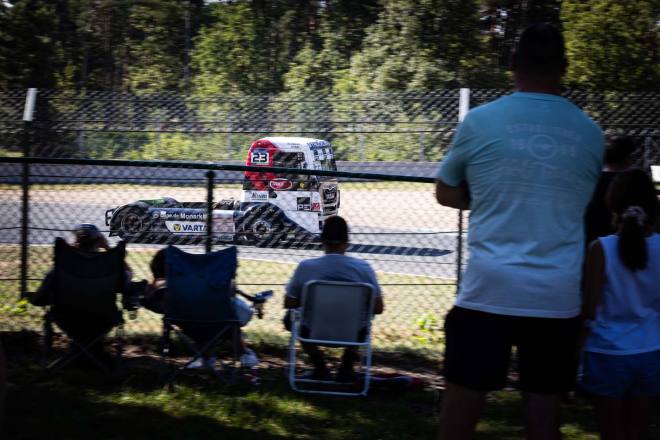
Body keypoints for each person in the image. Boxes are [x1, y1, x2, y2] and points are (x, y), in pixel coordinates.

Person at [434, 23, 604, 440]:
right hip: (557, 295)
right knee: (544, 413)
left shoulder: (480, 121)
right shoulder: (590, 133)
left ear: (512, 63)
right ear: (564, 66)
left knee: (460, 408)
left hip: (489, 288)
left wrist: (490, 195)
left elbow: (445, 191)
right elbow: (576, 201)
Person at [581, 169, 659, 440]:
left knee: (611, 432)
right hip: (651, 350)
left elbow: (589, 309)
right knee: (638, 430)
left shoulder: (600, 249)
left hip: (606, 352)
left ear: (611, 203)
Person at [284, 215, 384, 381]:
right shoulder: (363, 269)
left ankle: (320, 366)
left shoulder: (306, 267)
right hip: (353, 334)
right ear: (347, 242)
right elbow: (378, 308)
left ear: (322, 240)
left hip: (312, 331)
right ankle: (347, 366)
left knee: (290, 318)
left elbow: (289, 302)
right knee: (365, 319)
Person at [29, 224, 133, 364]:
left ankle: (71, 356)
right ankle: (96, 356)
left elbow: (40, 296)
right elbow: (129, 274)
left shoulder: (62, 267)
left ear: (76, 242)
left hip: (67, 318)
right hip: (103, 319)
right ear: (99, 242)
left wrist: (70, 251)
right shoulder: (111, 268)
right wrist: (108, 249)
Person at [140, 248, 259, 369]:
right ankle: (244, 354)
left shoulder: (165, 290)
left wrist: (148, 294)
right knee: (228, 320)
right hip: (220, 323)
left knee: (200, 322)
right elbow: (230, 294)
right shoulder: (205, 280)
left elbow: (156, 307)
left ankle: (206, 358)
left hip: (189, 325)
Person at [584, 134, 637, 247]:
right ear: (627, 158)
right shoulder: (632, 184)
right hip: (623, 246)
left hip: (590, 243)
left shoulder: (588, 182)